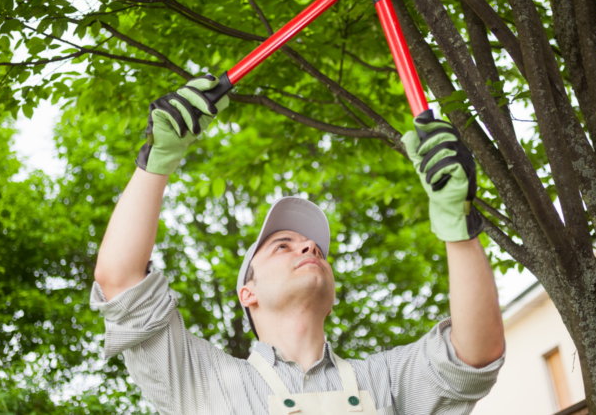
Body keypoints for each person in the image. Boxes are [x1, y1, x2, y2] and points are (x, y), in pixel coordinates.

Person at [91, 76, 505, 414]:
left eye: (316, 250)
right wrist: (157, 160)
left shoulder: (386, 381)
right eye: (283, 246)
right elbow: (120, 281)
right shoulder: (204, 383)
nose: (308, 248)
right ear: (246, 292)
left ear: (333, 296)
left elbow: (475, 354)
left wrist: (458, 225)